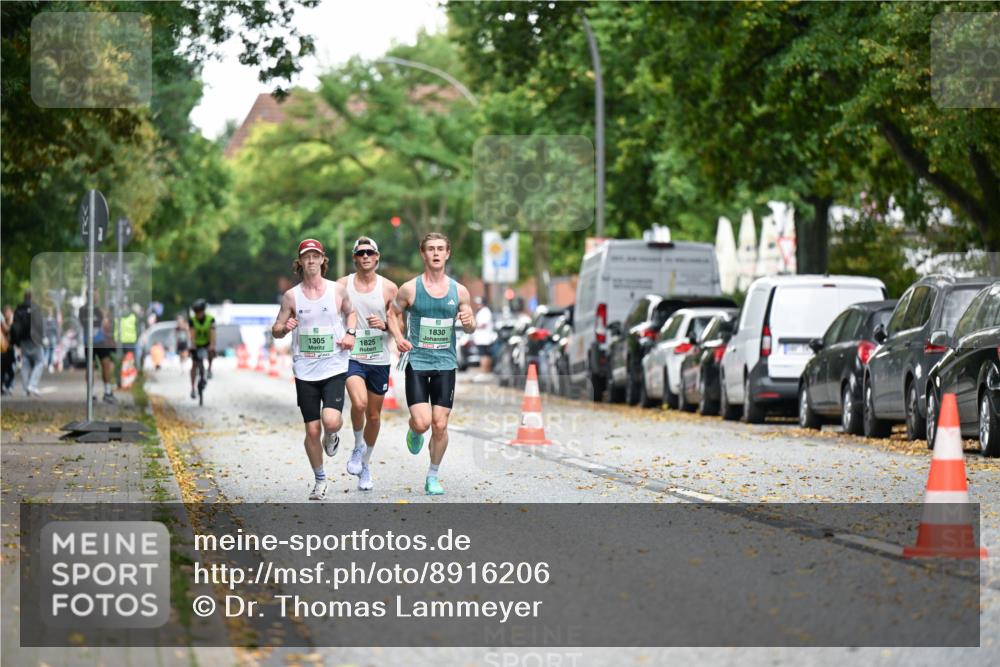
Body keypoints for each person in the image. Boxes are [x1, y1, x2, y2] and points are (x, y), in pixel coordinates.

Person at [388, 232, 476, 496]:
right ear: (423, 254)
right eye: (431, 249)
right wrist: (399, 337)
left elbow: (470, 327)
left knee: (440, 424)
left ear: (447, 254)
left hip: (446, 364)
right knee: (423, 423)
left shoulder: (459, 291)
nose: (436, 253)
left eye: (440, 249)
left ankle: (433, 476)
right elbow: (392, 313)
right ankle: (414, 431)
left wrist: (470, 323)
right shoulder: (410, 289)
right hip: (417, 361)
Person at [272, 239, 357, 501]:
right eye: (306, 257)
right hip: (305, 370)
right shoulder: (291, 296)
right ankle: (320, 480)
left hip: (333, 366)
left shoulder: (337, 291)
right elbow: (276, 329)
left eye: (315, 256)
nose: (310, 261)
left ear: (322, 260)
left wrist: (351, 333)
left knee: (331, 421)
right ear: (300, 262)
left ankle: (332, 436)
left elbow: (351, 313)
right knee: (311, 431)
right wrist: (285, 328)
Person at [337, 237, 398, 492]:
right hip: (352, 356)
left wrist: (384, 325)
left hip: (379, 359)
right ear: (354, 258)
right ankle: (357, 446)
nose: (365, 256)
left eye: (369, 252)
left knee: (373, 415)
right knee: (359, 403)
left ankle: (365, 462)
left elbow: (399, 326)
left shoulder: (389, 288)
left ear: (377, 257)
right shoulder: (342, 285)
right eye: (360, 253)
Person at [79, 301, 116, 403]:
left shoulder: (99, 309)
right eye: (94, 294)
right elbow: (85, 323)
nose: (96, 297)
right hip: (89, 342)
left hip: (101, 341)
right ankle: (91, 393)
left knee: (106, 364)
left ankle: (108, 392)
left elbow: (105, 322)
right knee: (90, 367)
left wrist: (103, 315)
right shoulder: (83, 310)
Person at [13, 292, 45, 396]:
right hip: (35, 340)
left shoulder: (18, 309)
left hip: (23, 341)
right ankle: (33, 385)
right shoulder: (35, 308)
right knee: (40, 362)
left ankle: (25, 389)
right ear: (32, 298)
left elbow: (14, 326)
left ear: (24, 297)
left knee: (25, 364)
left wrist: (16, 342)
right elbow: (40, 324)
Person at [188, 299, 216, 398]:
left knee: (211, 352)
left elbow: (213, 333)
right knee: (194, 365)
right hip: (196, 343)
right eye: (196, 312)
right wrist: (192, 345)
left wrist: (212, 345)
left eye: (199, 312)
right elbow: (192, 333)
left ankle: (209, 369)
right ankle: (192, 388)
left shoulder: (210, 319)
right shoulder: (192, 320)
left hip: (207, 342)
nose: (197, 314)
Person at [472, 296, 495, 373]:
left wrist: (474, 325)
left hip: (484, 338)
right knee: (484, 354)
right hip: (481, 338)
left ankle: (484, 370)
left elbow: (483, 324)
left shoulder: (485, 311)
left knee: (484, 355)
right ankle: (485, 371)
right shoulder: (482, 311)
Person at [1, 305, 15, 394]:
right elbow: (7, 330)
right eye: (6, 312)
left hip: (9, 349)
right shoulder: (3, 322)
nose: (8, 314)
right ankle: (4, 388)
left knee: (9, 371)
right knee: (4, 370)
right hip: (3, 348)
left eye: (9, 312)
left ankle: (6, 387)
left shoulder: (12, 322)